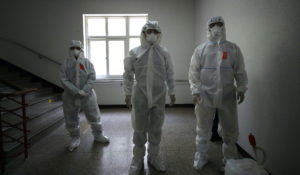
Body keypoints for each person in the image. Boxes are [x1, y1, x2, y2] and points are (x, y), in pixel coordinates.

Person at [188, 16, 248, 170]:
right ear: (208, 28)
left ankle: (229, 158)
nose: (216, 27)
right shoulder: (200, 50)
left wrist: (241, 88)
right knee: (203, 127)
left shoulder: (233, 49)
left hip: (227, 95)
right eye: (213, 24)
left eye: (219, 24)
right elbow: (193, 71)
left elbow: (240, 70)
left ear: (224, 26)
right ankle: (201, 156)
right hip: (204, 95)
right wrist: (195, 90)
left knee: (229, 127)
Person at [123, 21, 176, 175]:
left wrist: (172, 92)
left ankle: (154, 156)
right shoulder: (134, 52)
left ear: (158, 34)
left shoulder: (164, 53)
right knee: (139, 128)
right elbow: (127, 74)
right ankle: (138, 158)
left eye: (155, 31)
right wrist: (127, 93)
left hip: (159, 95)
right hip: (140, 95)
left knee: (156, 127)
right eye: (149, 31)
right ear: (144, 33)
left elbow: (170, 73)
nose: (152, 34)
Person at [60, 40, 109, 152]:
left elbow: (92, 77)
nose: (75, 50)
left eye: (77, 47)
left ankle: (98, 135)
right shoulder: (65, 64)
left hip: (88, 95)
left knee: (94, 115)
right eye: (72, 48)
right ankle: (75, 138)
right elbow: (64, 79)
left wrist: (84, 90)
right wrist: (75, 91)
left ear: (81, 49)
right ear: (69, 50)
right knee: (71, 117)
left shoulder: (87, 63)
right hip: (70, 96)